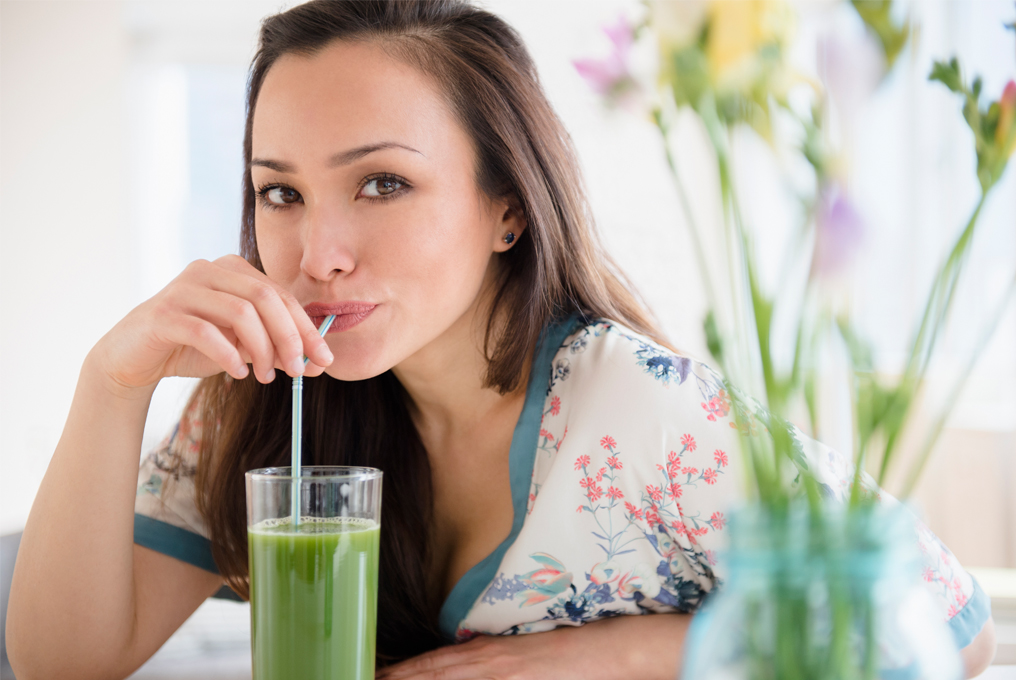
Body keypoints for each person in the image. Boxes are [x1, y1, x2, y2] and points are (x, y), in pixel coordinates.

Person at [6, 1, 996, 678]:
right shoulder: (264, 401)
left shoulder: (637, 411)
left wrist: (620, 652)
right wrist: (112, 381)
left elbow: (947, 622)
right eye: (280, 193)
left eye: (382, 183)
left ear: (507, 209)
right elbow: (60, 662)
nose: (317, 254)